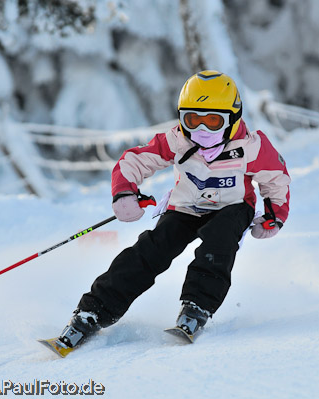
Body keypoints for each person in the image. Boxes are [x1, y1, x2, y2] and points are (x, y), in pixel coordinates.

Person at [56, 70, 290, 351]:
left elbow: (275, 177)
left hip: (233, 206)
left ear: (232, 118)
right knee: (151, 250)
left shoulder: (251, 146)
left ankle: (196, 306)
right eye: (193, 119)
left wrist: (274, 216)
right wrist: (124, 192)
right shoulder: (178, 140)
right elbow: (134, 161)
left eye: (213, 121)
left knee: (219, 239)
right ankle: (93, 311)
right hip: (186, 207)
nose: (202, 130)